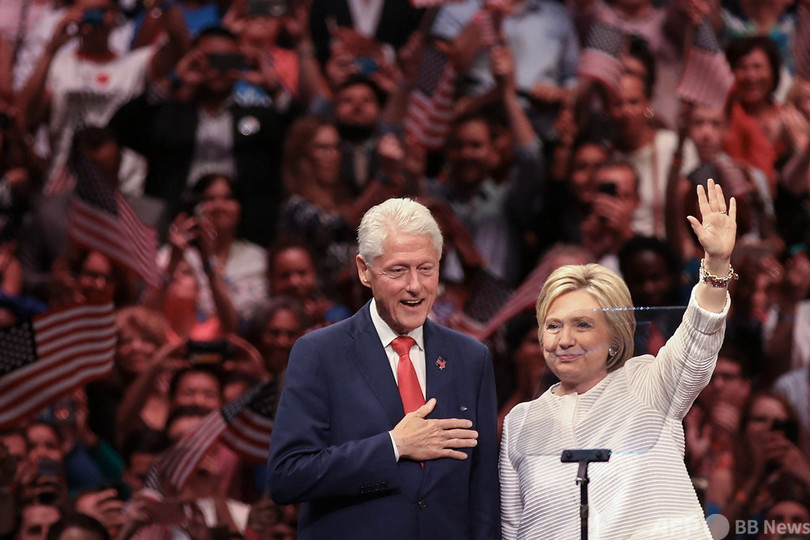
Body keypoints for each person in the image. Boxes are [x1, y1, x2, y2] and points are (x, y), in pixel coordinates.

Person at [500, 178, 737, 539]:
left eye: (582, 325)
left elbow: (697, 338)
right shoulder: (520, 421)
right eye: (553, 325)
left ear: (614, 337)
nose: (564, 340)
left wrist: (716, 268)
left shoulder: (648, 384)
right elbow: (513, 527)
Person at [267, 198, 500, 539]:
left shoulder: (471, 358)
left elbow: (484, 495)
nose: (415, 285)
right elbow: (287, 476)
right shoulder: (319, 353)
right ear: (365, 270)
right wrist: (394, 445)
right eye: (398, 270)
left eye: (426, 268)